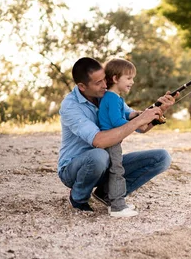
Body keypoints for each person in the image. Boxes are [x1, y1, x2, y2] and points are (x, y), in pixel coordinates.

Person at [57, 57, 177, 212]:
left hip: (106, 163)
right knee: (99, 155)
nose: (105, 85)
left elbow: (140, 127)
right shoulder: (70, 106)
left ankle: (107, 194)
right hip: (74, 169)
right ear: (82, 86)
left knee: (162, 158)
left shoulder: (108, 96)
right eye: (98, 82)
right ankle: (79, 197)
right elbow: (99, 141)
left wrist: (158, 111)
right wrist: (139, 120)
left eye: (104, 79)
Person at [98, 58, 141, 217]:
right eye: (129, 78)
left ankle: (115, 202)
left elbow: (121, 114)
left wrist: (133, 114)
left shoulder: (113, 97)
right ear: (115, 79)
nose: (132, 81)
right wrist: (137, 122)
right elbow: (116, 121)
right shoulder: (112, 97)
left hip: (112, 140)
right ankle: (117, 207)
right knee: (117, 171)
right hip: (111, 141)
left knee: (115, 170)